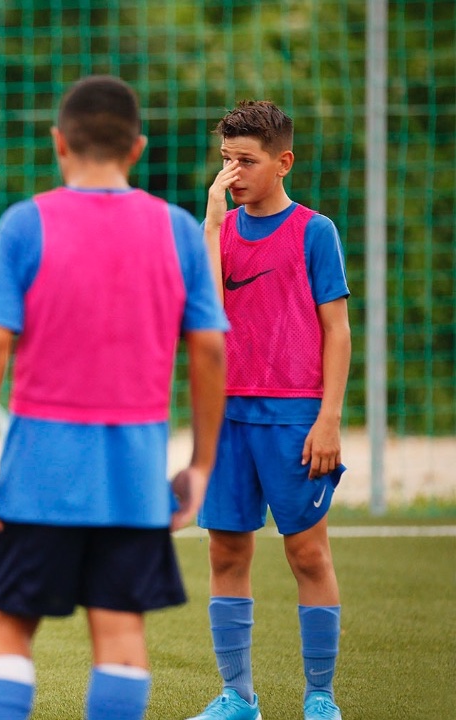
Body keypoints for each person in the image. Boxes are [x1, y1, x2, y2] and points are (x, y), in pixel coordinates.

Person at [0, 75, 228, 720]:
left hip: (38, 468)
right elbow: (211, 349)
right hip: (133, 473)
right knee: (120, 628)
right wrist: (203, 463)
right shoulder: (178, 229)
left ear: (59, 143)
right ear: (137, 148)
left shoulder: (28, 222)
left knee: (7, 624)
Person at [187, 100, 351, 720]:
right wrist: (209, 225)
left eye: (246, 161)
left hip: (294, 416)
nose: (233, 173)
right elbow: (206, 313)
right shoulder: (221, 232)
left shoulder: (316, 231)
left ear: (283, 163)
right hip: (225, 418)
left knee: (307, 553)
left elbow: (337, 331)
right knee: (226, 552)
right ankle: (238, 696)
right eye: (226, 159)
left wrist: (328, 417)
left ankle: (319, 697)